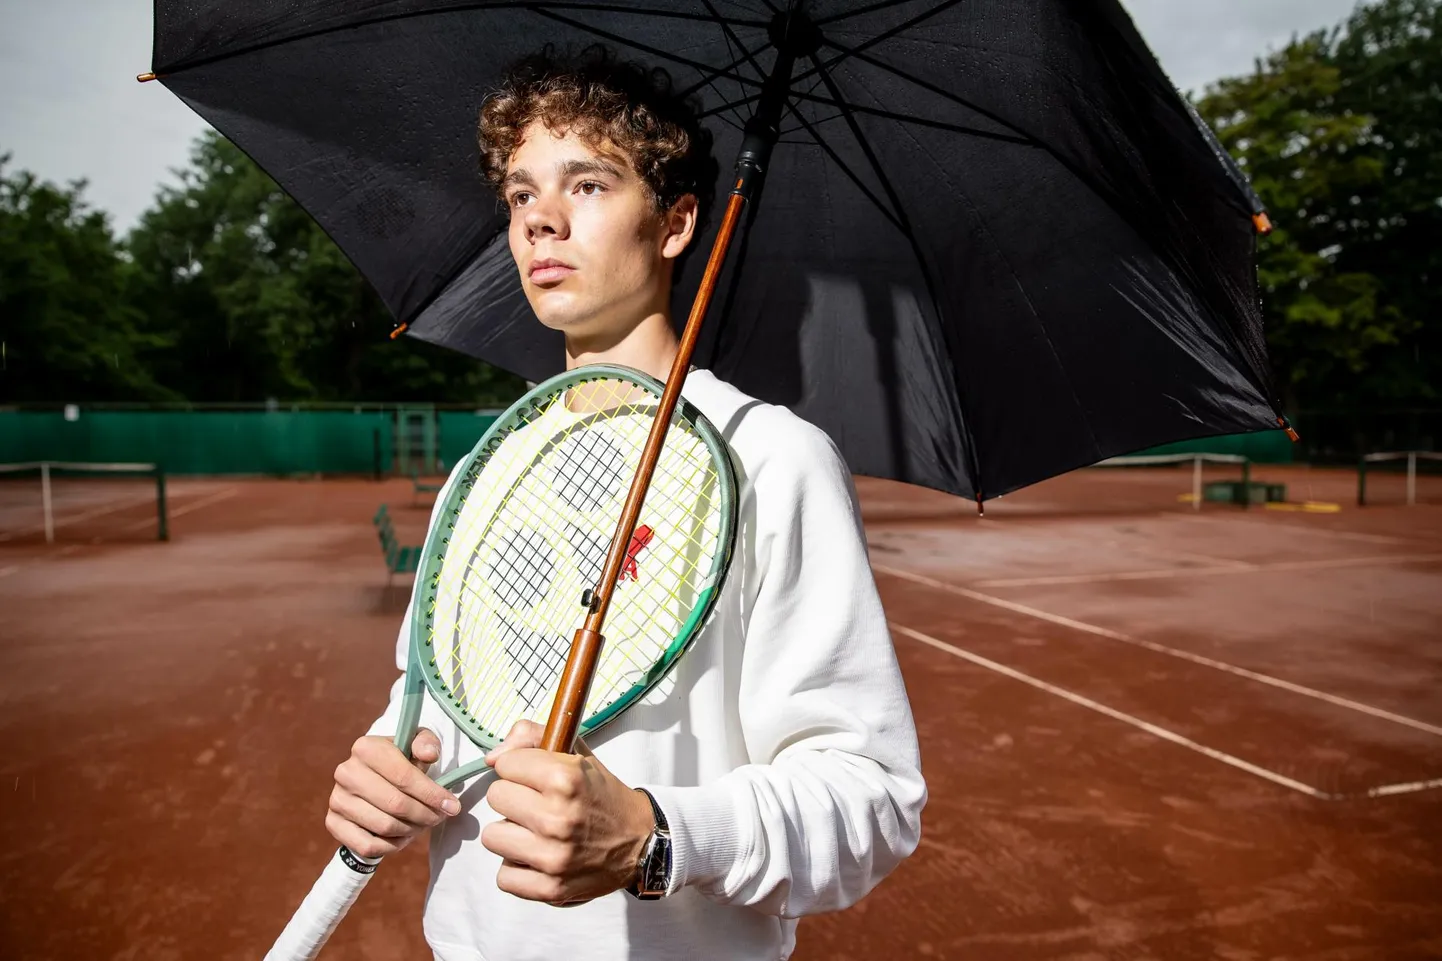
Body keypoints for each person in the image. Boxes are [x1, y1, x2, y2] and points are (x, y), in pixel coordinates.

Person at [324, 45, 926, 961]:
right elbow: (430, 699)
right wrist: (388, 763)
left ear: (677, 222)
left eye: (589, 186)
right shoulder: (486, 469)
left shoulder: (771, 457)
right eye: (522, 194)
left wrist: (654, 834)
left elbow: (870, 800)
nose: (542, 223)